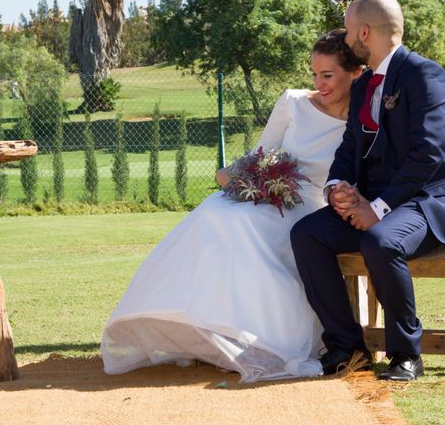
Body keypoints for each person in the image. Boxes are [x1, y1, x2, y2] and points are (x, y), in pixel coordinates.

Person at [101, 30, 363, 382]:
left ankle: (260, 342)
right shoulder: (293, 102)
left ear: (355, 74)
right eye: (314, 74)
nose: (319, 83)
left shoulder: (362, 122)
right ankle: (208, 331)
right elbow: (262, 152)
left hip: (312, 204)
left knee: (247, 228)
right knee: (215, 214)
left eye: (327, 75)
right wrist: (241, 178)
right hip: (270, 192)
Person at [290, 0, 445, 381]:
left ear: (364, 32)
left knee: (380, 241)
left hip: (430, 201)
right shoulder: (364, 86)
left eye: (347, 32)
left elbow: (427, 155)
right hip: (377, 200)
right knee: (307, 234)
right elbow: (349, 147)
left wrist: (376, 209)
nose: (345, 41)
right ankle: (347, 348)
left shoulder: (425, 75)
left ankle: (406, 353)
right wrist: (335, 189)